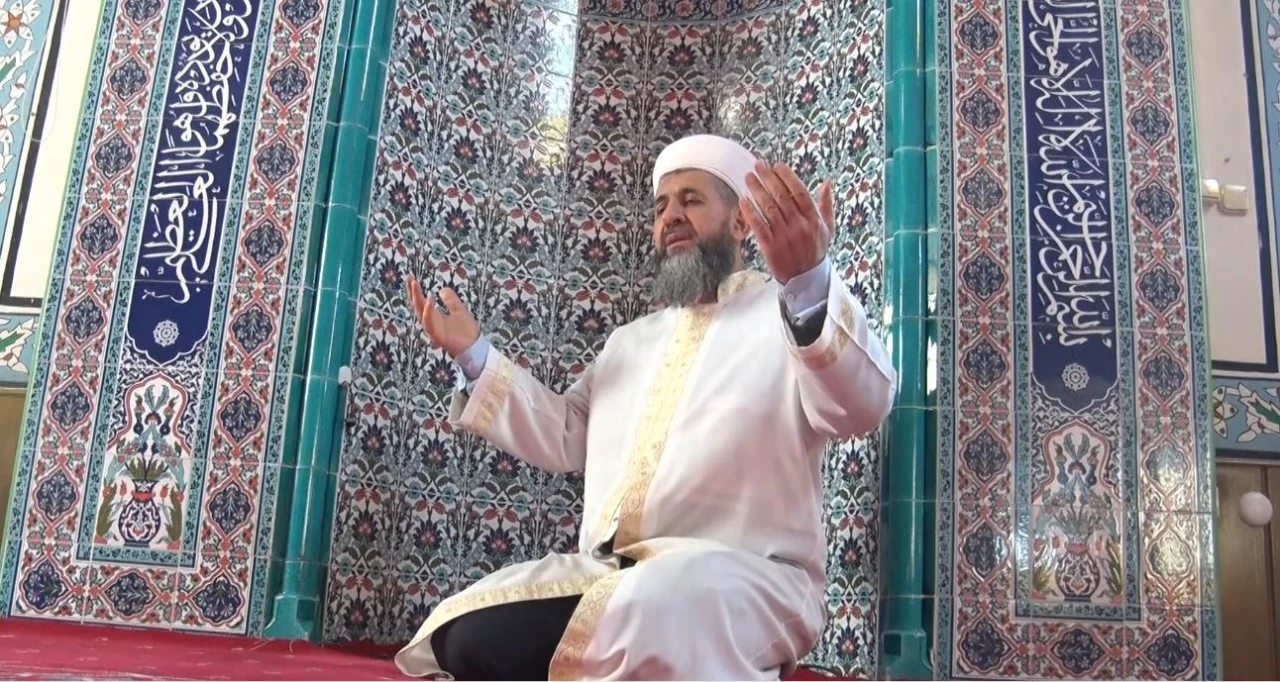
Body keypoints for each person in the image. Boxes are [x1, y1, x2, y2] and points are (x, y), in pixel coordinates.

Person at [395, 134, 897, 681]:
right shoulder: (629, 342)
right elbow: (565, 433)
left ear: (741, 222)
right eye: (660, 207)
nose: (670, 217)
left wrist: (808, 282)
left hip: (751, 576)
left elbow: (861, 406)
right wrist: (474, 354)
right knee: (468, 633)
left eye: (691, 199)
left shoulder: (790, 315)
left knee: (651, 611)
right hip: (613, 573)